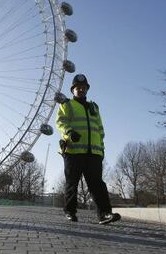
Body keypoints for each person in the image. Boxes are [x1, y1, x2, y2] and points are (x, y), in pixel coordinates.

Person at [56, 74, 120, 225]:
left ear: (87, 89)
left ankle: (104, 214)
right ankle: (70, 212)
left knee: (97, 184)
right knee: (72, 183)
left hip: (94, 153)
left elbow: (100, 130)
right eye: (78, 88)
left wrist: (102, 149)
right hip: (73, 152)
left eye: (83, 88)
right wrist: (69, 132)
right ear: (73, 90)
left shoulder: (94, 107)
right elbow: (60, 122)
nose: (81, 90)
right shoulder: (67, 105)